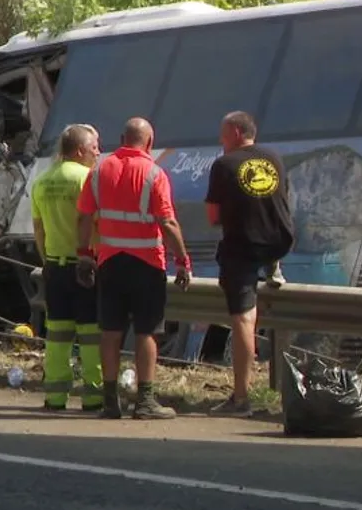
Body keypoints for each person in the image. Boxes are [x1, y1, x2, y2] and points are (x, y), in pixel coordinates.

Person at [75, 117, 191, 420]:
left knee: (110, 331)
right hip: (147, 265)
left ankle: (110, 402)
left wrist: (84, 255)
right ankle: (145, 401)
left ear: (121, 138)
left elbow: (85, 217)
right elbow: (167, 222)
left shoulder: (99, 170)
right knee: (147, 332)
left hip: (110, 263)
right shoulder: (154, 173)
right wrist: (182, 260)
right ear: (149, 142)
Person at [204, 111, 295, 417]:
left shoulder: (224, 165)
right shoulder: (276, 158)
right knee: (265, 241)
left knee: (243, 320)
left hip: (243, 247)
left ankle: (241, 398)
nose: (220, 140)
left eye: (223, 134)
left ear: (235, 132)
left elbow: (213, 218)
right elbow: (284, 198)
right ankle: (274, 267)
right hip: (280, 241)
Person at [32, 123, 104, 411]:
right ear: (80, 150)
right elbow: (96, 223)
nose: (98, 153)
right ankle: (94, 396)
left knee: (57, 333)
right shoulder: (88, 179)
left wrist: (47, 258)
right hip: (85, 266)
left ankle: (55, 396)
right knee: (90, 334)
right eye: (94, 148)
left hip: (54, 265)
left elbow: (38, 229)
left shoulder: (42, 181)